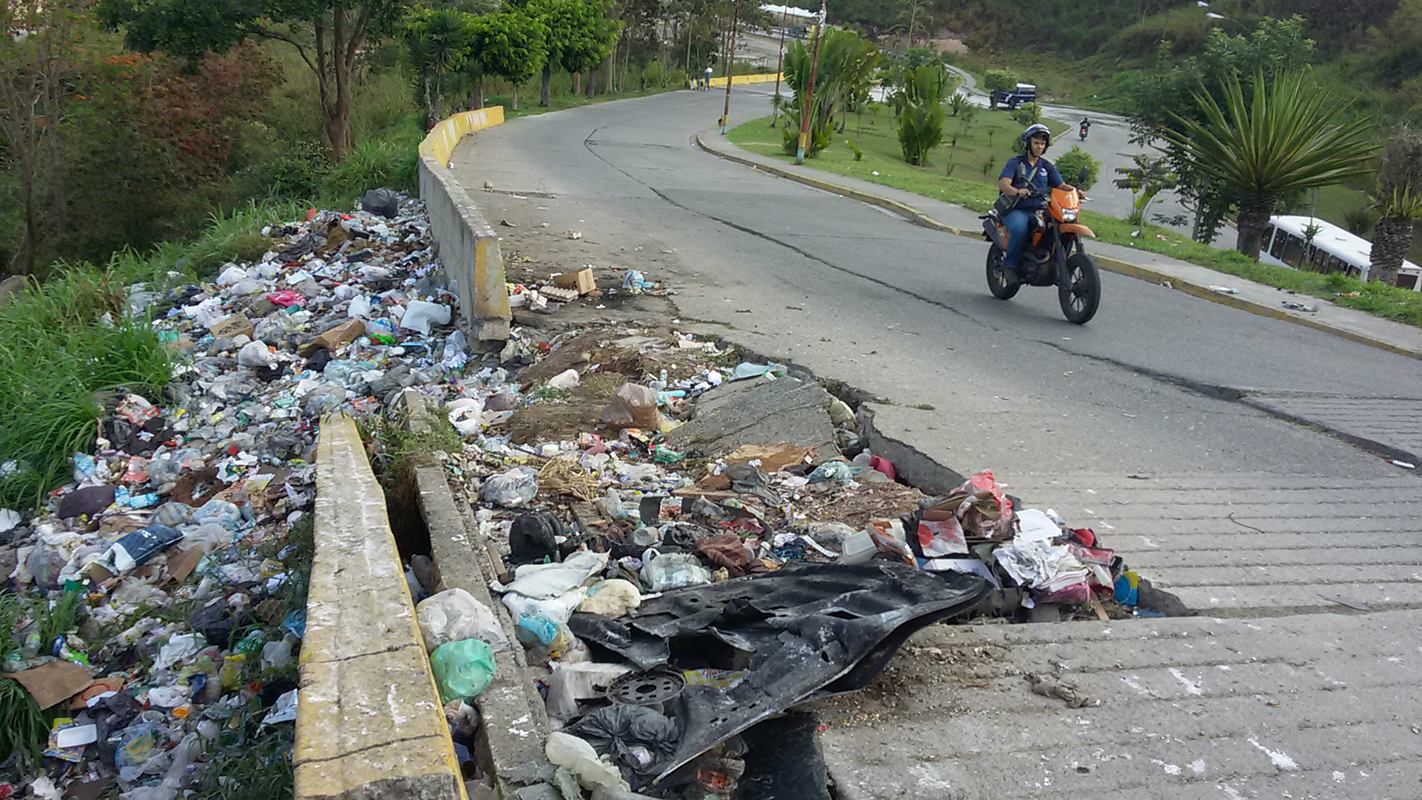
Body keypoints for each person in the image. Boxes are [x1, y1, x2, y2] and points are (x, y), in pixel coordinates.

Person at [997, 124, 1075, 276]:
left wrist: (1075, 191)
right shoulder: (1015, 163)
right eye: (1036, 143)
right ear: (1028, 143)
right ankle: (1010, 267)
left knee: (1062, 228)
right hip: (1017, 209)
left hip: (1039, 210)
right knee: (1020, 228)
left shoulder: (1046, 167)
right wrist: (1016, 191)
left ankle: (1057, 266)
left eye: (1042, 144)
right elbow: (1004, 183)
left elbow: (1062, 185)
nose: (1040, 147)